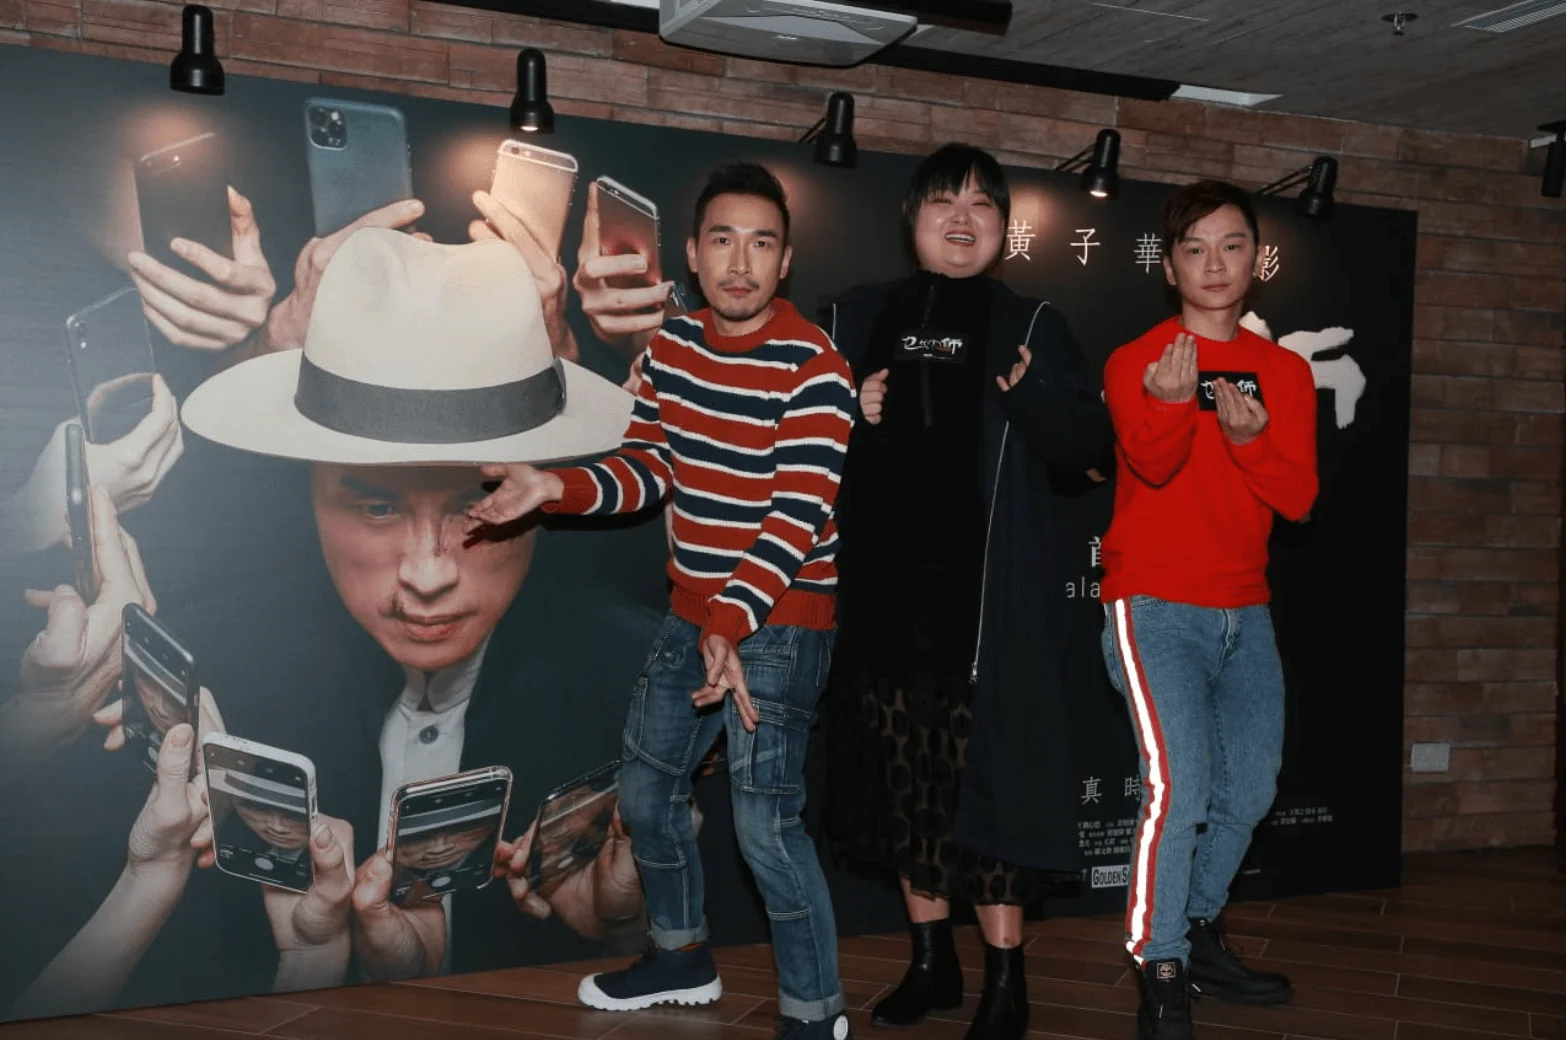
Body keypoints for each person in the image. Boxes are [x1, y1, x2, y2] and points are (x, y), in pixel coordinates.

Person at [178, 225, 655, 983]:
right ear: (306, 492)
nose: (428, 575)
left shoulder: (651, 694)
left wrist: (624, 940)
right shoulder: (210, 701)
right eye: (377, 508)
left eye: (480, 503)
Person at [468, 161, 857, 1040]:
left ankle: (816, 1012)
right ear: (692, 252)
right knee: (645, 797)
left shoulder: (817, 368)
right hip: (695, 615)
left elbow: (795, 520)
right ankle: (680, 956)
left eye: (761, 243)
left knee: (765, 825)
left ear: (786, 260)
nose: (741, 263)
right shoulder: (674, 351)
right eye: (723, 240)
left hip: (781, 623)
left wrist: (731, 625)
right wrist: (553, 488)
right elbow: (647, 472)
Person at [818, 144, 1112, 1040]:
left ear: (1003, 228)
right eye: (943, 200)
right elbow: (798, 445)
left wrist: (1034, 398)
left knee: (989, 803)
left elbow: (1085, 450)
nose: (961, 217)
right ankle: (930, 963)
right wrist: (852, 414)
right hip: (881, 610)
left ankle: (1006, 983)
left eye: (982, 204)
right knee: (908, 793)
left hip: (987, 616)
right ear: (911, 218)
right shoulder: (855, 316)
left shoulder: (1031, 323)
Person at [1097, 180, 1318, 1040]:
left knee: (1250, 788)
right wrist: (1167, 401)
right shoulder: (1138, 360)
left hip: (1244, 610)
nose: (1214, 264)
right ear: (1170, 266)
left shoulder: (1285, 372)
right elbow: (1150, 466)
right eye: (1195, 248)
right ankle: (1160, 969)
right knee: (1179, 787)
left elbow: (1297, 498)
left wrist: (1250, 440)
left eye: (1231, 246)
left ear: (1255, 258)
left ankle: (1194, 929)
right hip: (1154, 605)